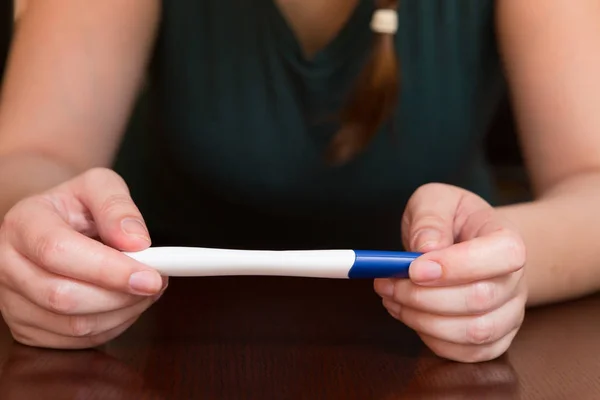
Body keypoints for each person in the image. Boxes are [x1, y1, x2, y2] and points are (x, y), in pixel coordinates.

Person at [0, 0, 598, 364]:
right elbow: (30, 155)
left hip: (419, 347)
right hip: (149, 329)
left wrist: (504, 263)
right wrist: (41, 240)